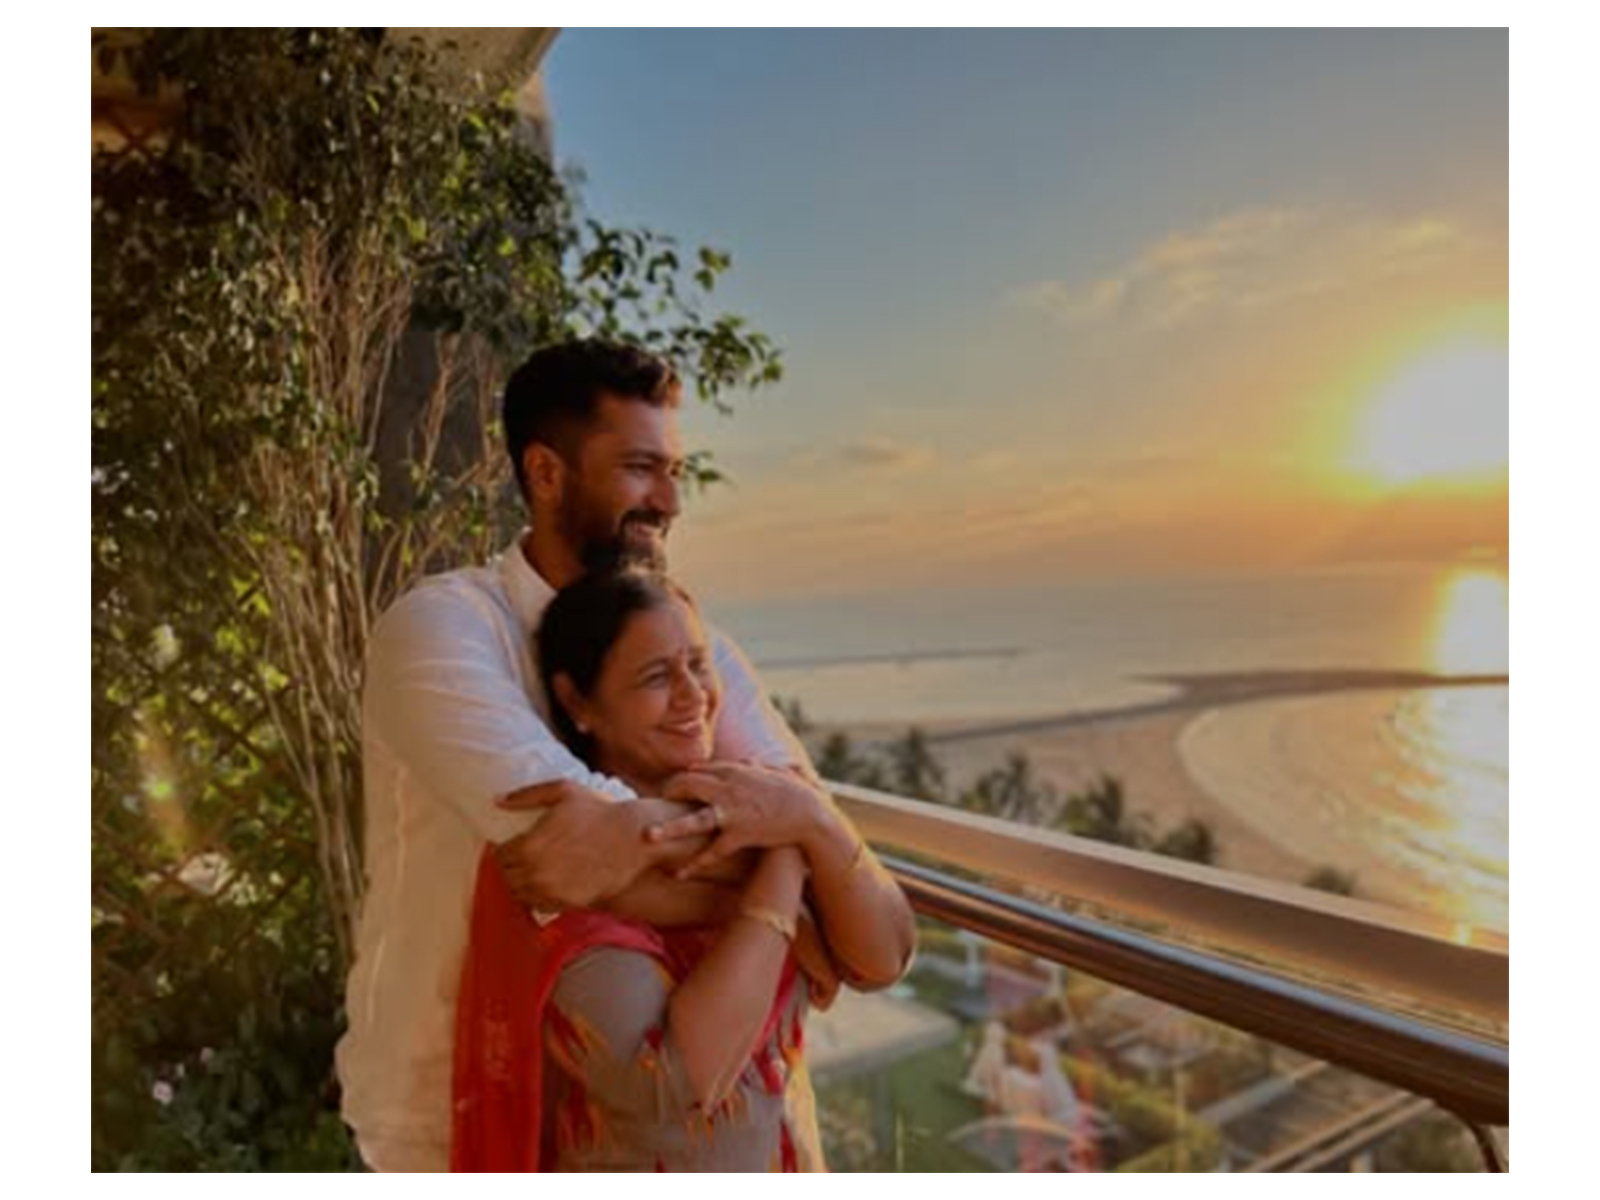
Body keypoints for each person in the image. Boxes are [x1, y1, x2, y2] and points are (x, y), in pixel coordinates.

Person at [337, 339, 913, 1171]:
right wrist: (784, 861)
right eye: (642, 468)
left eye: (676, 470)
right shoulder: (443, 631)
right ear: (545, 472)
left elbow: (830, 878)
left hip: (730, 1134)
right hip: (453, 1126)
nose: (671, 500)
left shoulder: (697, 652)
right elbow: (576, 860)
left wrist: (798, 838)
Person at [455, 567, 912, 1170]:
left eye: (698, 664)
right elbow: (670, 1089)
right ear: (577, 702)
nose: (694, 694)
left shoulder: (759, 801)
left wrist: (816, 823)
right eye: (655, 676)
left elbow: (885, 958)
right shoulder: (571, 852)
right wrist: (785, 858)